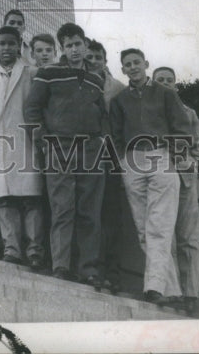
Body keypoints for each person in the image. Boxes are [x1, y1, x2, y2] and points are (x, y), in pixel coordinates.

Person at [24, 22, 107, 286]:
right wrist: (43, 141)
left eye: (78, 44)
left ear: (85, 45)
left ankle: (88, 268)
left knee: (89, 211)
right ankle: (61, 265)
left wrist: (102, 141)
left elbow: (102, 115)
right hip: (59, 147)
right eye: (68, 45)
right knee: (62, 208)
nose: (74, 50)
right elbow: (32, 109)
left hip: (91, 150)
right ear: (62, 48)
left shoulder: (96, 78)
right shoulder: (49, 73)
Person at [110, 48, 192, 305]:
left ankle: (153, 286)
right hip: (133, 160)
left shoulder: (165, 94)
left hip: (161, 156)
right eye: (127, 64)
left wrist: (175, 155)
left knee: (160, 223)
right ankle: (171, 290)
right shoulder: (119, 100)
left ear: (146, 64)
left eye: (136, 62)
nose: (133, 67)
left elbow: (181, 127)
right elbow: (115, 135)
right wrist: (124, 161)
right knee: (144, 227)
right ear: (122, 70)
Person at [0, 25, 44, 268]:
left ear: (19, 46)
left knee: (30, 198)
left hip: (25, 140)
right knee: (5, 199)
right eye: (2, 43)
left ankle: (34, 250)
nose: (6, 48)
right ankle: (12, 248)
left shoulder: (32, 73)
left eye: (11, 44)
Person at [153, 65, 199, 316]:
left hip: (184, 180)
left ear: (175, 84)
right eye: (160, 80)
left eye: (169, 80)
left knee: (188, 238)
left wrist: (194, 163)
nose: (165, 83)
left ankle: (191, 293)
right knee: (164, 237)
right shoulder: (148, 111)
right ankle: (171, 291)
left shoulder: (188, 113)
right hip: (158, 180)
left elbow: (198, 148)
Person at [86, 38, 127, 294]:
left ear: (105, 59)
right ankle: (92, 269)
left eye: (97, 58)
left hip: (112, 155)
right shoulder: (77, 82)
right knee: (91, 213)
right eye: (88, 58)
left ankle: (112, 272)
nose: (92, 62)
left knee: (111, 214)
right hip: (86, 155)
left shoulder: (119, 89)